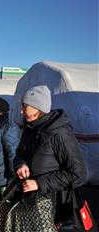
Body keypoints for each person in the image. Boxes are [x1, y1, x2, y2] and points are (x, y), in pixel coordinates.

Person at [14, 85, 87, 225]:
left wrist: (39, 183)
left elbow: (79, 174)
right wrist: (21, 164)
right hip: (29, 202)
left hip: (52, 208)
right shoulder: (30, 128)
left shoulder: (59, 133)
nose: (21, 111)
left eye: (25, 106)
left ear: (38, 108)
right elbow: (20, 154)